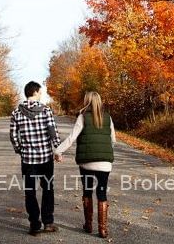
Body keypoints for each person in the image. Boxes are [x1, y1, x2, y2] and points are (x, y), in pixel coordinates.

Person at [54, 91, 115, 238]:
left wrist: (58, 151)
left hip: (87, 163)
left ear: (86, 101)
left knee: (87, 191)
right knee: (102, 193)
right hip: (105, 164)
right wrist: (105, 153)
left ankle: (88, 225)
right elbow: (113, 140)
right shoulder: (108, 117)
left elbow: (71, 138)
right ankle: (103, 229)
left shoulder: (82, 117)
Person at [9, 81, 60, 236]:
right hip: (45, 158)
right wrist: (57, 148)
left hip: (27, 160)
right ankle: (48, 222)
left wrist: (20, 149)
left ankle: (34, 224)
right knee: (48, 189)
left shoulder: (16, 112)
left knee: (30, 192)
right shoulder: (45, 110)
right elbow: (52, 131)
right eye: (40, 92)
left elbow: (13, 135)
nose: (41, 94)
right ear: (36, 92)